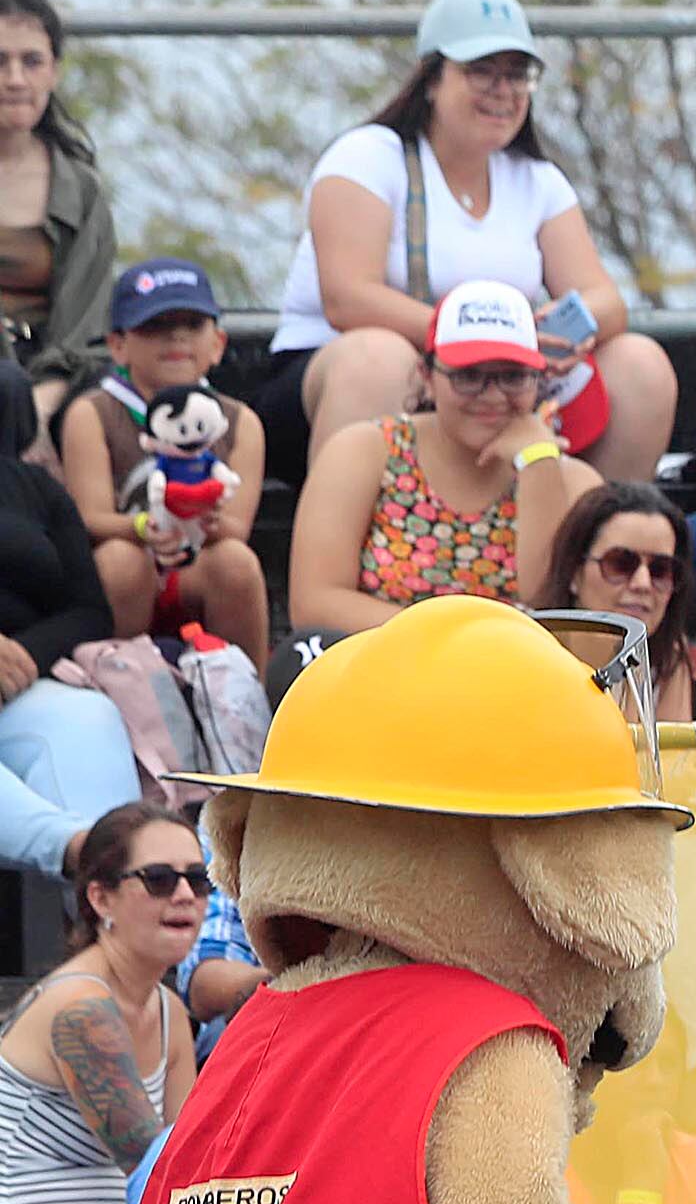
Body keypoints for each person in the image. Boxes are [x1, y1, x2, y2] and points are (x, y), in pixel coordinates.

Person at [260, 0, 674, 482]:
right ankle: (340, 550)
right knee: (378, 358)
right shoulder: (369, 156)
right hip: (342, 380)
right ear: (430, 80)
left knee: (640, 364)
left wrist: (553, 335)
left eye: (517, 74)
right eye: (481, 72)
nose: (503, 90)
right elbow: (347, 299)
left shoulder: (536, 179)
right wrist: (476, 342)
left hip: (485, 383)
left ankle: (593, 546)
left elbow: (607, 300)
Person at [286, 281, 604, 636]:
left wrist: (539, 464)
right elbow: (314, 603)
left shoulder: (574, 481)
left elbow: (554, 611)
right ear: (427, 378)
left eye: (513, 377)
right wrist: (459, 640)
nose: (493, 395)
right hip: (385, 675)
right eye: (468, 376)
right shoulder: (365, 450)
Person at [0, 806, 196, 1204]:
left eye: (198, 878)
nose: (185, 894)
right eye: (160, 879)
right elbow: (156, 1174)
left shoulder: (169, 1012)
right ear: (101, 900)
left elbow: (195, 1170)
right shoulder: (80, 1009)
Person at [57, 259, 272, 667]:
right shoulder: (93, 412)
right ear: (118, 345)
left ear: (218, 344)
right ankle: (115, 690)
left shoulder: (240, 420)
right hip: (129, 569)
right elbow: (89, 518)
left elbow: (236, 528)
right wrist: (144, 528)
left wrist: (204, 520)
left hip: (200, 561)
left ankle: (250, 703)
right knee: (120, 561)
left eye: (192, 324)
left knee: (236, 562)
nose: (176, 335)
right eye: (155, 325)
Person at [0, 381, 135, 888]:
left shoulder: (36, 488)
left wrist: (19, 658)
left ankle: (121, 912)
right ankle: (86, 855)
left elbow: (88, 611)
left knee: (88, 716)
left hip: (18, 684)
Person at [0, 0, 114, 418]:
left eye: (31, 62)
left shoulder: (79, 190)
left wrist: (39, 412)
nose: (15, 79)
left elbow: (83, 331)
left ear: (54, 72)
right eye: (0, 61)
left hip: (57, 387)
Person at [539, 481, 696, 724]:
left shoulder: (670, 656)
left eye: (660, 570)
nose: (642, 583)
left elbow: (673, 760)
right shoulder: (527, 649)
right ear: (573, 572)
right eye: (620, 564)